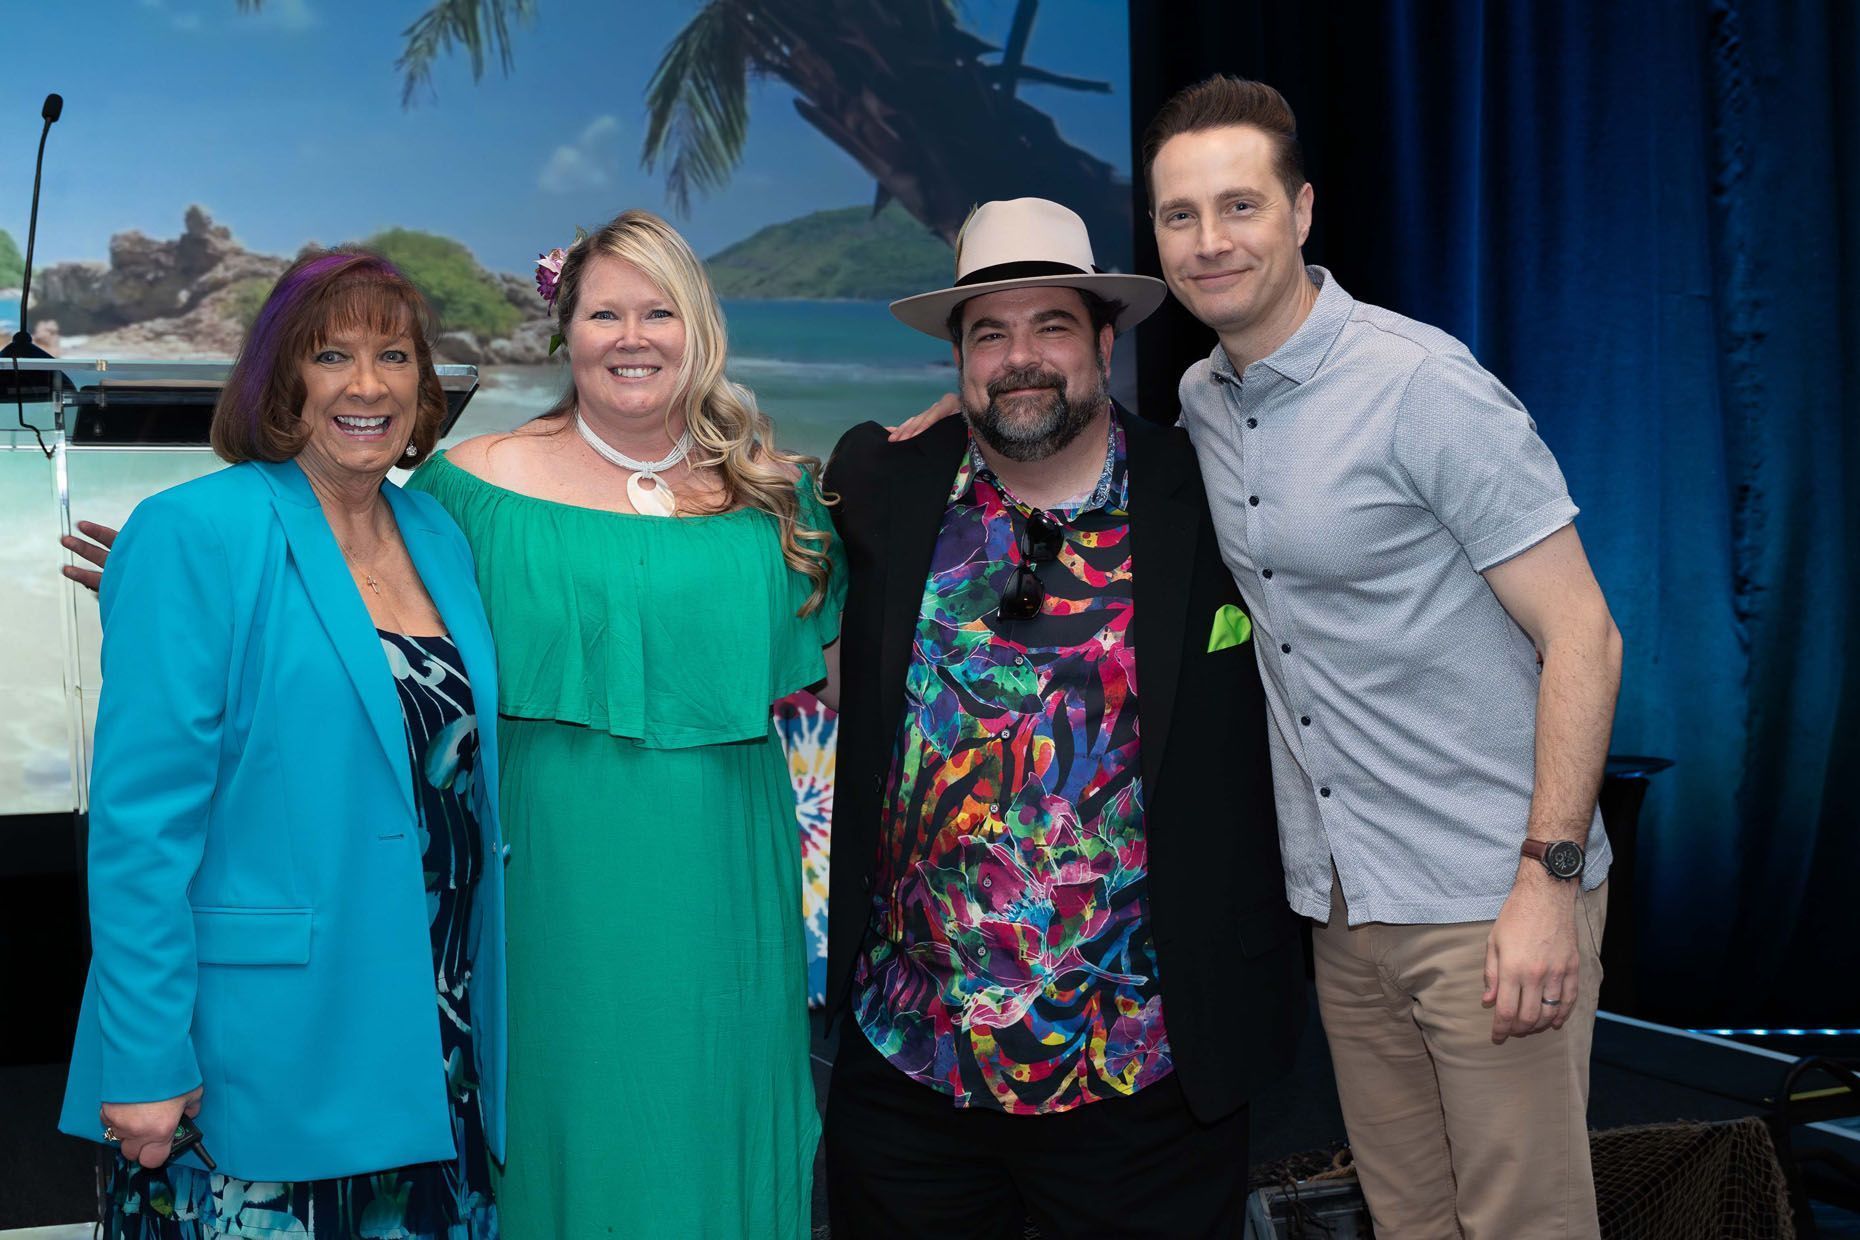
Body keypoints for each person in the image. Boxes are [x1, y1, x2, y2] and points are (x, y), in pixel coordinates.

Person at [1140, 75, 1623, 1239]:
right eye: (1180, 216)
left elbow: (1585, 635)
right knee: (1408, 1220)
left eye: (1240, 206)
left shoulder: (1420, 386)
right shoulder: (1204, 399)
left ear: (1302, 211)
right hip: (1343, 907)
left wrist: (1546, 885)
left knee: (1525, 1222)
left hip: (1487, 894)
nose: (1210, 242)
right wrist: (952, 428)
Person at [822, 198, 1305, 1238]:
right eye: (989, 335)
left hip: (1146, 1072)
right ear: (958, 361)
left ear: (1105, 342)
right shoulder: (877, 483)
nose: (1020, 359)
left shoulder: (1210, 493)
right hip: (912, 1065)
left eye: (1050, 326)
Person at [402, 209, 842, 1238]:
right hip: (551, 890)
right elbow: (370, 645)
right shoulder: (471, 489)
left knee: (718, 1131)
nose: (632, 337)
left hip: (728, 890)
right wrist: (210, 599)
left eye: (659, 312)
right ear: (565, 328)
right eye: (605, 313)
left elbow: (848, 684)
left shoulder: (779, 499)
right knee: (573, 1134)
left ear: (700, 328)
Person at [57, 250, 507, 1238]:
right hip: (259, 1058)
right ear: (278, 378)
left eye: (394, 355)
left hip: (435, 1033)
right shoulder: (195, 531)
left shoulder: (438, 532)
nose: (367, 385)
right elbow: (141, 831)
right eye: (331, 355)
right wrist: (145, 1058)